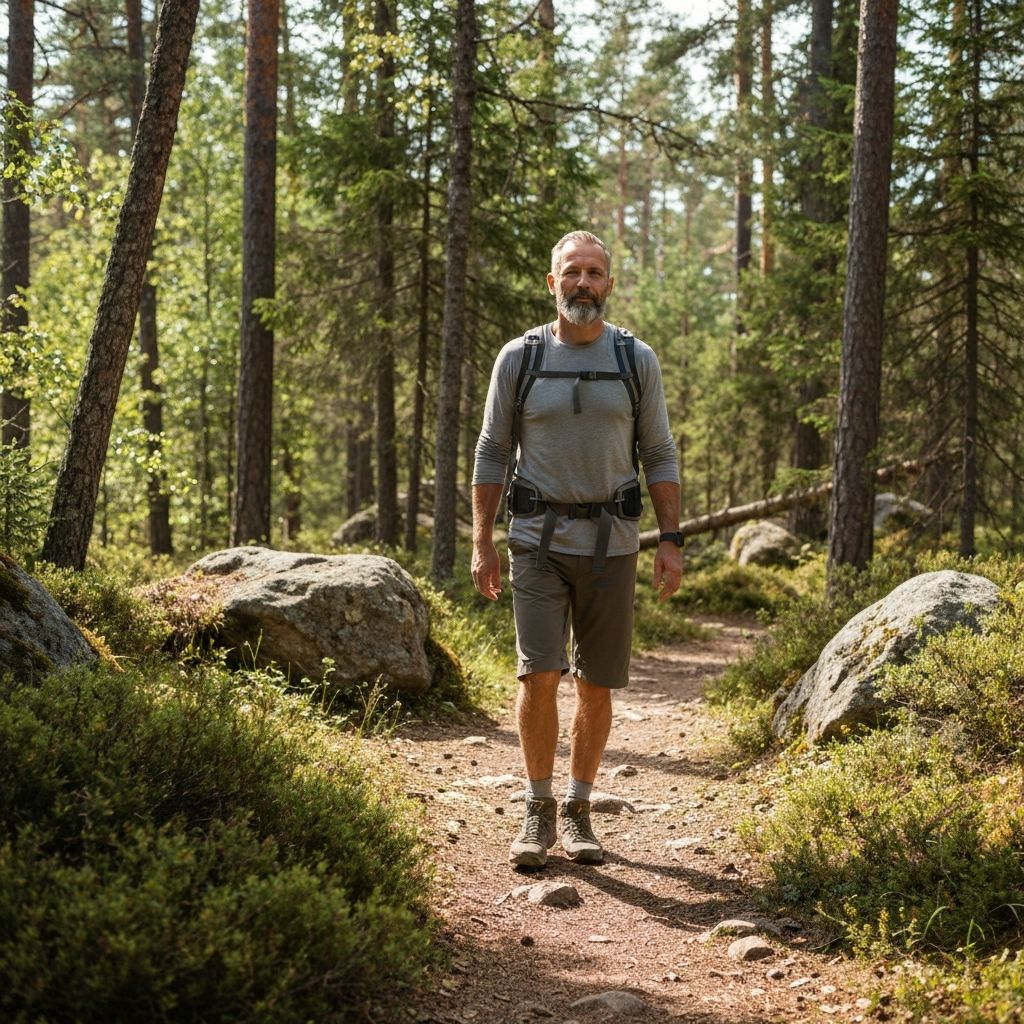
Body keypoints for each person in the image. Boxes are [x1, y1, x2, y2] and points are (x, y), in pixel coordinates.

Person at [471, 229, 683, 869]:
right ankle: (537, 809)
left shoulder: (635, 359)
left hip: (612, 546)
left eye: (594, 273)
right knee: (539, 675)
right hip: (534, 541)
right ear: (552, 281)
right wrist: (483, 540)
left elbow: (660, 453)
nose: (583, 283)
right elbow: (490, 450)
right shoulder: (520, 357)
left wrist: (670, 539)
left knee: (595, 684)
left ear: (608, 284)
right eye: (573, 272)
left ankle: (579, 810)